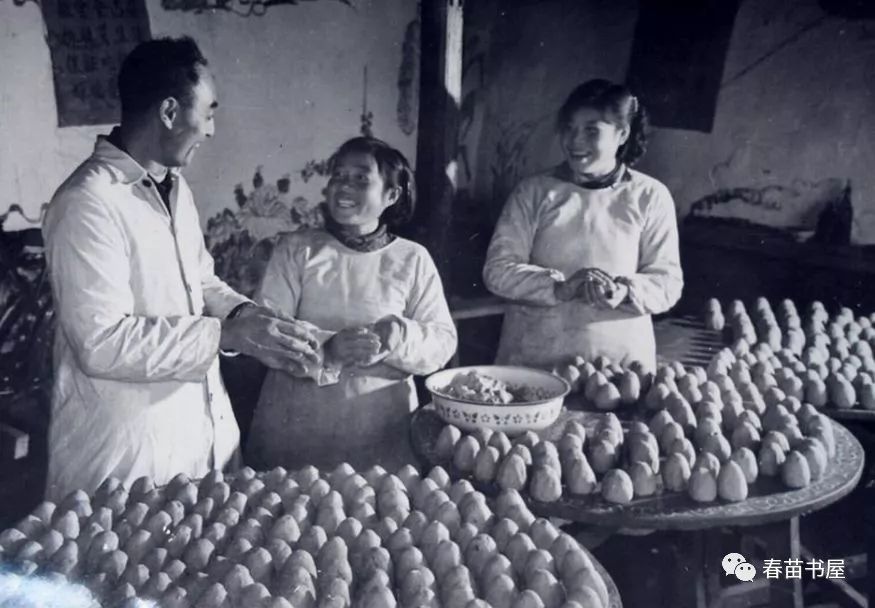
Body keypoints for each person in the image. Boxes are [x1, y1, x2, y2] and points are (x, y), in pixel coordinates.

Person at [42, 37, 320, 501]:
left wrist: (247, 318)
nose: (211, 130)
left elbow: (201, 280)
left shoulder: (174, 188)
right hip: (126, 454)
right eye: (208, 112)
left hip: (196, 437)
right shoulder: (87, 202)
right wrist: (223, 337)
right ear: (170, 112)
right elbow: (101, 343)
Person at [246, 136, 457, 472]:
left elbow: (443, 341)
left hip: (380, 429)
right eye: (339, 176)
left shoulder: (412, 259)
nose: (344, 187)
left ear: (392, 195)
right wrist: (328, 348)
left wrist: (397, 337)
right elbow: (265, 330)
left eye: (361, 178)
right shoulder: (297, 249)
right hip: (295, 426)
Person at [483, 79, 683, 372]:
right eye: (569, 128)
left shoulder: (649, 196)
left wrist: (625, 292)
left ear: (622, 134)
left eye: (591, 130)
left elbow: (668, 283)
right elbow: (497, 270)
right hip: (536, 357)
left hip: (619, 364)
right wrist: (558, 287)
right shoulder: (534, 192)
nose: (575, 141)